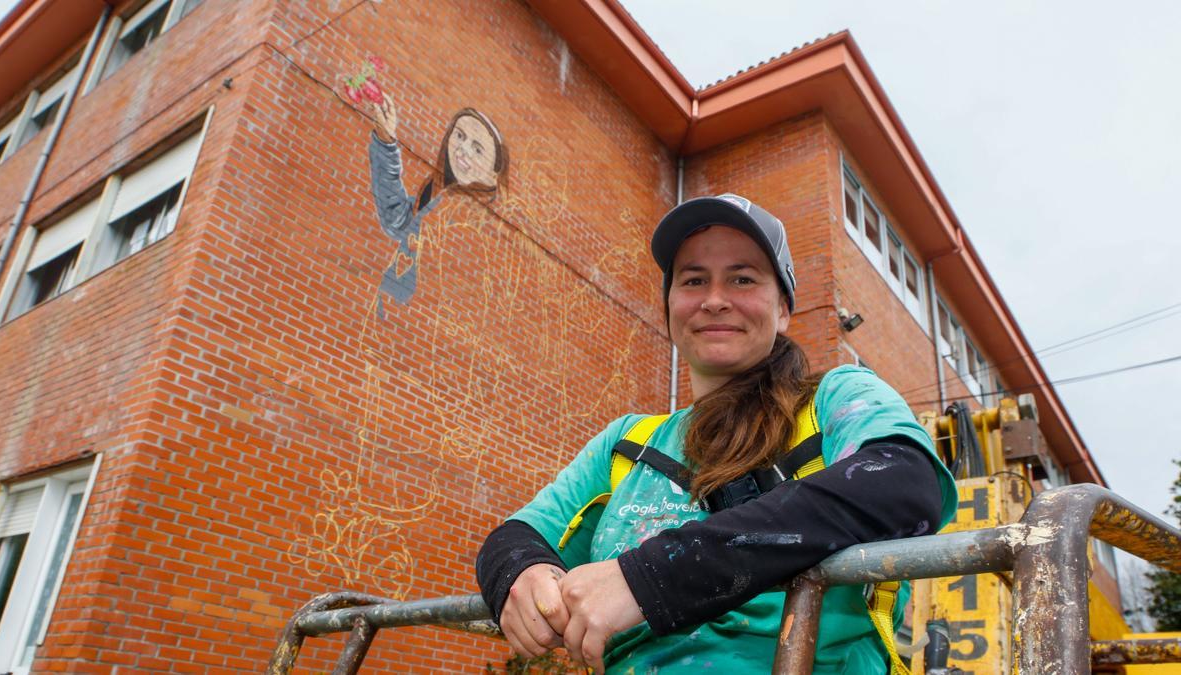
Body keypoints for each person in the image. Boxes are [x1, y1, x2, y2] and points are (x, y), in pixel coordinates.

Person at [475, 194, 958, 674]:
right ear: (669, 308)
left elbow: (903, 482)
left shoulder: (835, 399)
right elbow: (518, 535)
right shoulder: (630, 442)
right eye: (693, 280)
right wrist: (523, 572)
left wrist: (649, 580)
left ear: (784, 308)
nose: (714, 299)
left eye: (742, 278)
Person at [368, 95, 507, 311]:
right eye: (459, 136)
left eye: (478, 149)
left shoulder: (474, 222)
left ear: (493, 175)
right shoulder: (436, 195)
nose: (463, 150)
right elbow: (398, 221)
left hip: (412, 326)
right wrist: (386, 142)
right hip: (392, 318)